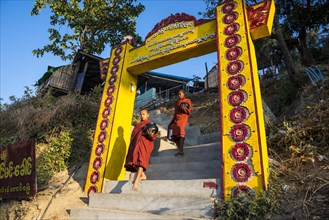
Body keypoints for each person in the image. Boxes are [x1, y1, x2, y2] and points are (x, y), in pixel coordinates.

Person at [124, 109, 157, 191]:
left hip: (145, 145)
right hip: (136, 145)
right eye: (141, 114)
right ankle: (143, 175)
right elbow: (133, 136)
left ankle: (136, 183)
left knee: (141, 163)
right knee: (134, 162)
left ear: (148, 115)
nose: (142, 116)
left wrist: (151, 135)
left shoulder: (150, 124)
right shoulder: (138, 125)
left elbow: (153, 136)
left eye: (144, 114)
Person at [168, 89, 192, 156]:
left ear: (184, 94)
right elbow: (175, 112)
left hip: (183, 118)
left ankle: (181, 151)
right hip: (176, 119)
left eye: (180, 94)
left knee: (181, 132)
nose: (179, 95)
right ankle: (179, 150)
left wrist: (184, 109)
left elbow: (189, 110)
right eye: (178, 94)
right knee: (174, 136)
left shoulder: (187, 100)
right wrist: (172, 121)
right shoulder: (177, 102)